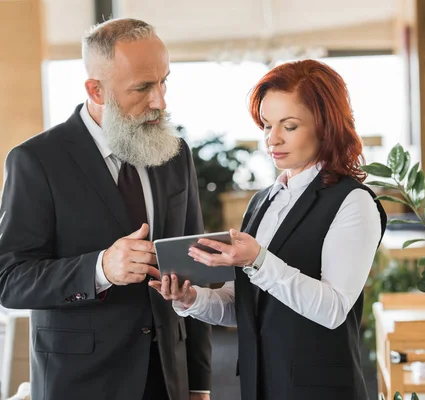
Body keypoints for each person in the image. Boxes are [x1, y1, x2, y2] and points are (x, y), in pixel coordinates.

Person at [0, 18, 211, 400]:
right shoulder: (36, 161)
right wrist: (100, 269)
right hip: (80, 382)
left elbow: (196, 268)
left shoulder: (175, 155)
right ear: (96, 90)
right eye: (143, 87)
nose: (160, 101)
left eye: (164, 82)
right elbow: (11, 282)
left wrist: (199, 384)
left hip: (168, 379)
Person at [150, 59, 387, 400]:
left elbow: (333, 308)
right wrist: (191, 300)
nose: (272, 139)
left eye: (288, 126)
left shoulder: (353, 202)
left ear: (326, 126)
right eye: (265, 125)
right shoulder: (263, 201)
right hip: (260, 383)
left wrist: (258, 260)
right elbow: (246, 305)